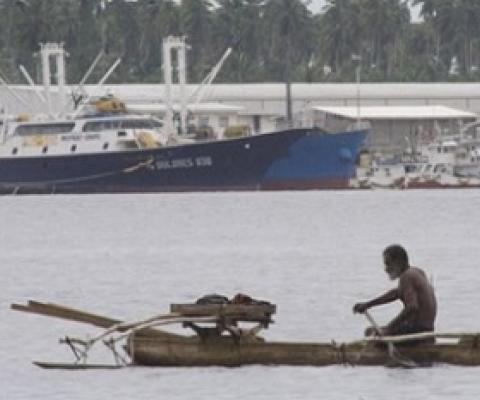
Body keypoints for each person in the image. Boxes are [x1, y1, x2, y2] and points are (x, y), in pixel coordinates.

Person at [353, 244, 437, 337]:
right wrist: (368, 304)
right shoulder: (417, 272)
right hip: (428, 329)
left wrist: (389, 328)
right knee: (373, 331)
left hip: (418, 329)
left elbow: (412, 307)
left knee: (371, 333)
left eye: (388, 264)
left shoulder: (406, 277)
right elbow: (396, 293)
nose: (386, 269)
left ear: (398, 262)